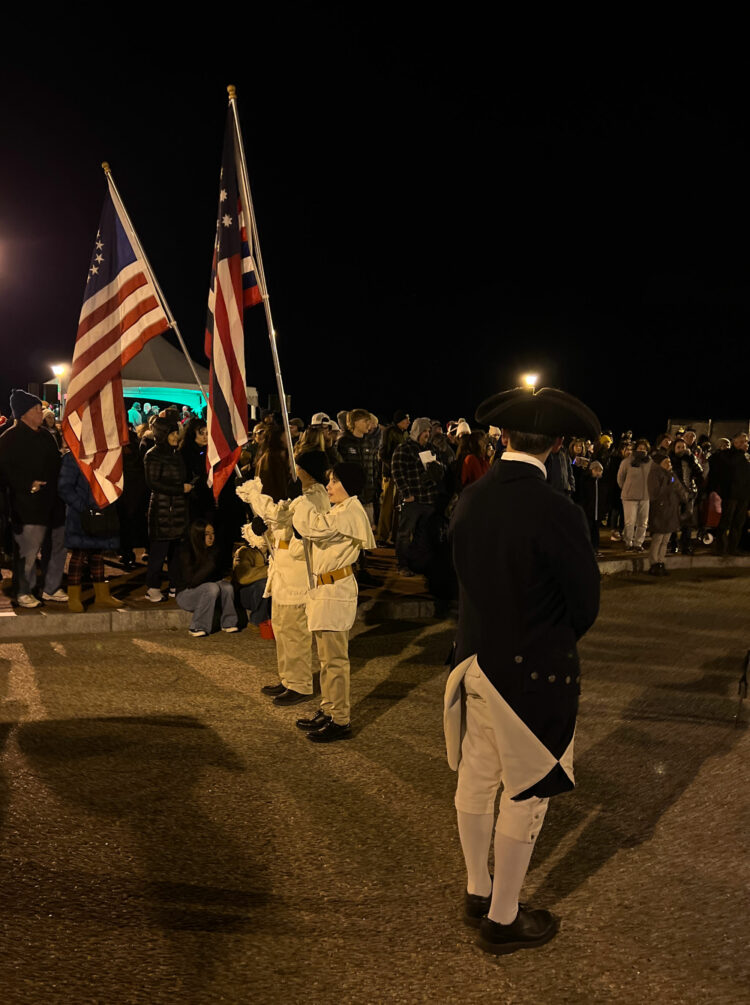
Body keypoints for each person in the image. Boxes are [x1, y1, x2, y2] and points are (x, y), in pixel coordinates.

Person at [445, 385, 600, 955]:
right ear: (557, 444)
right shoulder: (557, 508)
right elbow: (585, 602)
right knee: (528, 788)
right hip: (531, 670)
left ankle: (476, 890)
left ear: (504, 437)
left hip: (473, 659)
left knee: (478, 776)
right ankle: (503, 919)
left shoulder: (472, 498)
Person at [289, 462, 376, 742]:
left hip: (335, 591)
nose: (328, 487)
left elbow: (317, 527)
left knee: (335, 661)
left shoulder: (351, 511)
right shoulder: (341, 510)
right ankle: (329, 709)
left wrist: (300, 500)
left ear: (348, 484)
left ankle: (340, 720)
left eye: (334, 481)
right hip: (325, 590)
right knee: (327, 660)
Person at [237, 451, 331, 705]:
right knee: (282, 628)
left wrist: (254, 495)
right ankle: (289, 678)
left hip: (297, 578)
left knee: (294, 633)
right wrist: (262, 530)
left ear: (305, 470)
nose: (294, 470)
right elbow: (280, 525)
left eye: (297, 466)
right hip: (283, 574)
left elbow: (279, 515)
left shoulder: (314, 497)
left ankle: (299, 685)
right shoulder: (304, 496)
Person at [0, 389, 67, 607]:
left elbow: (55, 463)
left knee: (56, 547)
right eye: (37, 409)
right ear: (24, 413)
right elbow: (3, 472)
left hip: (53, 502)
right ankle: (23, 591)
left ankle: (51, 587)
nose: (42, 412)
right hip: (26, 504)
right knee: (28, 550)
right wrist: (28, 485)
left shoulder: (46, 436)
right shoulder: (9, 438)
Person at [57, 452, 122, 612]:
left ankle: (102, 595)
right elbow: (64, 488)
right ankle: (74, 597)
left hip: (101, 512)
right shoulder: (72, 457)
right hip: (81, 516)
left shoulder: (103, 456)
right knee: (79, 555)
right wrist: (83, 508)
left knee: (97, 555)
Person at [143, 417, 192, 602]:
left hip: (178, 508)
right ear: (163, 435)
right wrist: (180, 489)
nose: (175, 436)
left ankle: (175, 585)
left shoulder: (176, 453)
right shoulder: (152, 455)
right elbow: (153, 483)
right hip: (162, 510)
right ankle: (152, 587)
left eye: (176, 432)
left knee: (176, 552)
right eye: (172, 433)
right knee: (159, 551)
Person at [391, 418, 444, 576]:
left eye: (428, 431)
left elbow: (440, 467)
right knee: (404, 534)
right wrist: (406, 494)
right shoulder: (404, 449)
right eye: (424, 431)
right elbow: (397, 472)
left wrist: (438, 469)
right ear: (416, 431)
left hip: (428, 499)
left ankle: (416, 563)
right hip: (413, 500)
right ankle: (402, 565)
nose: (427, 434)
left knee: (422, 534)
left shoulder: (431, 448)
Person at [173, 519, 238, 637]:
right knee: (212, 587)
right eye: (206, 534)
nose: (211, 537)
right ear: (198, 535)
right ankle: (197, 627)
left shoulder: (213, 549)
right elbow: (191, 581)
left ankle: (229, 623)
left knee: (227, 587)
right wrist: (210, 564)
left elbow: (218, 575)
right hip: (186, 595)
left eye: (212, 533)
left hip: (208, 592)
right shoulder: (186, 551)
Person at [647, 451, 687, 575]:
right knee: (658, 538)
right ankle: (654, 563)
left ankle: (661, 561)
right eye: (666, 462)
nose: (669, 464)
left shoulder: (671, 474)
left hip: (671, 509)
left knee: (665, 539)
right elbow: (654, 493)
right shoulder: (655, 474)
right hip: (660, 509)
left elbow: (678, 487)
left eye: (669, 461)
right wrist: (669, 483)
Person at [617, 439, 653, 551]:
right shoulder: (627, 462)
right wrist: (627, 488)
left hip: (645, 496)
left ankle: (638, 543)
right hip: (629, 497)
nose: (642, 450)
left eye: (644, 448)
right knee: (630, 521)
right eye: (640, 448)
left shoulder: (650, 462)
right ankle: (628, 542)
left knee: (643, 522)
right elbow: (620, 478)